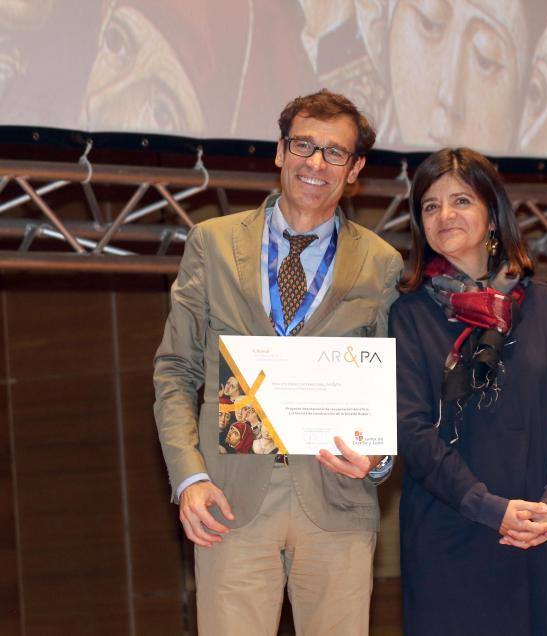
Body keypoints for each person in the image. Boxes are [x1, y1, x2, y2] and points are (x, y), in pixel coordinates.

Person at [153, 89, 403, 635]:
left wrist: (378, 460)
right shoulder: (212, 244)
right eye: (303, 146)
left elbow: (390, 388)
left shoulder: (382, 263)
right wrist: (189, 476)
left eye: (335, 152)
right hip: (230, 497)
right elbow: (175, 369)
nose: (316, 163)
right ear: (279, 152)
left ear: (355, 168)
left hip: (337, 498)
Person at [389, 147, 547, 635]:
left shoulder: (542, 304)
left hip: (541, 530)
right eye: (430, 205)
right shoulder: (409, 311)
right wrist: (488, 507)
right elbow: (411, 430)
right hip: (450, 534)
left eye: (461, 200)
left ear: (492, 213)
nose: (444, 215)